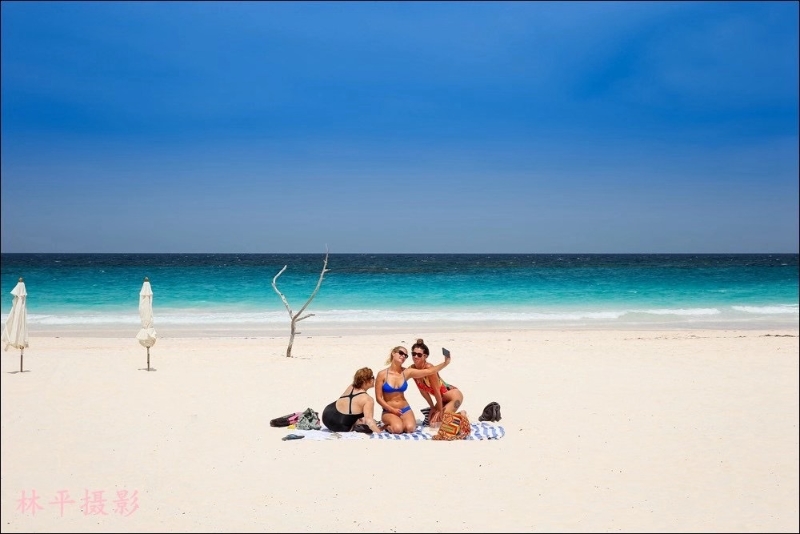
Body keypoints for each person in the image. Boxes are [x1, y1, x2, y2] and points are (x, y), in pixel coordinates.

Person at [375, 345, 451, 434]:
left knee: (410, 429)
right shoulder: (382, 374)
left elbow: (429, 371)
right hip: (389, 410)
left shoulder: (407, 372)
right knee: (397, 429)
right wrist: (392, 410)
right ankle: (387, 426)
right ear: (393, 353)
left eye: (406, 355)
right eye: (401, 353)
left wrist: (445, 363)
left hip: (405, 409)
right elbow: (378, 398)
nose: (403, 356)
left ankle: (399, 422)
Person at [410, 338, 464, 425]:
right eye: (413, 354)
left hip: (453, 395)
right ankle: (455, 415)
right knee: (432, 423)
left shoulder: (429, 368)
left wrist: (439, 409)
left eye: (419, 355)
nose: (415, 357)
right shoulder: (412, 369)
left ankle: (462, 414)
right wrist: (432, 407)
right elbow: (423, 392)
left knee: (439, 422)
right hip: (441, 399)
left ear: (425, 356)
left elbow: (437, 391)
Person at [322, 367, 382, 434]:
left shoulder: (352, 386)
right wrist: (380, 433)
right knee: (367, 427)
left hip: (326, 415)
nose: (374, 379)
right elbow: (369, 421)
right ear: (365, 381)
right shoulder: (368, 399)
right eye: (372, 377)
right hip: (339, 425)